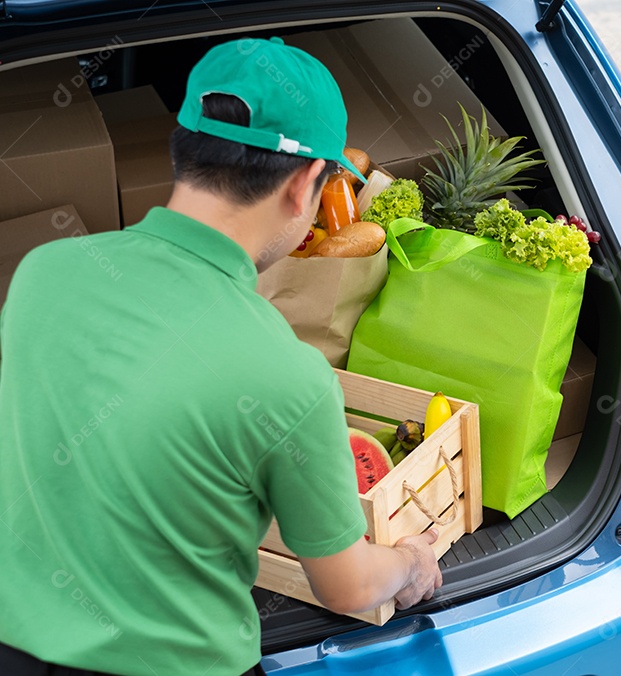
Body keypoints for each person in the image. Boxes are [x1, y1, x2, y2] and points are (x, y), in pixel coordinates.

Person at [0, 37, 441, 675]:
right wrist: (410, 561)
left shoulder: (44, 272)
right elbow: (344, 587)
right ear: (304, 184)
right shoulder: (290, 377)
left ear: (182, 150)